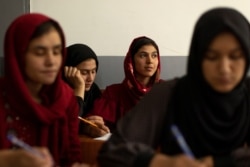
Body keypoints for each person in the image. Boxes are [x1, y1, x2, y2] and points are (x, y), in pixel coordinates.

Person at [97, 7, 250, 167]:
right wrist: (162, 162)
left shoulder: (248, 93)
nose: (224, 68)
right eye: (211, 56)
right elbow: (111, 150)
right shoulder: (170, 94)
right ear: (197, 57)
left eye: (235, 56)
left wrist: (221, 162)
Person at [0, 13, 85, 167]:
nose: (51, 61)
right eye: (39, 52)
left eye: (57, 52)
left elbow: (72, 156)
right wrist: (8, 160)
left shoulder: (65, 98)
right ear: (18, 55)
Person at [89, 36, 162, 131]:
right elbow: (91, 123)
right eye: (143, 55)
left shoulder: (166, 91)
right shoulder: (113, 93)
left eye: (154, 55)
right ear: (131, 60)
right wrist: (92, 127)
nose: (150, 61)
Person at [64, 43, 109, 137]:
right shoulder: (56, 92)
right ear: (67, 71)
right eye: (84, 72)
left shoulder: (93, 91)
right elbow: (67, 126)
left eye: (93, 71)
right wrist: (79, 88)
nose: (91, 78)